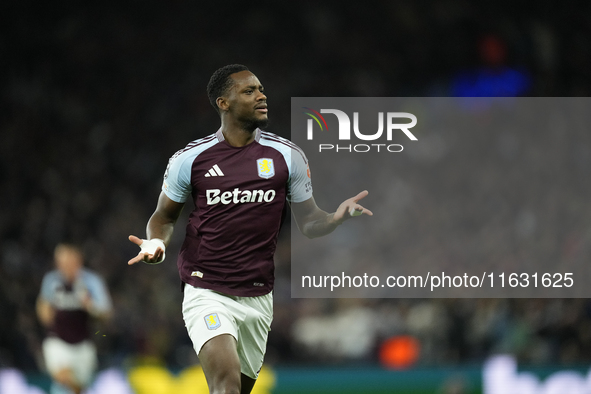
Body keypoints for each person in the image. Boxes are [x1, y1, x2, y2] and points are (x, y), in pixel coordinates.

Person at [128, 64, 372, 394]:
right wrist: (156, 243)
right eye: (249, 91)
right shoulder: (191, 159)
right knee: (226, 386)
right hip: (206, 290)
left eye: (261, 89)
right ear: (223, 103)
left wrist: (335, 217)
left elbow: (309, 222)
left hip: (258, 296)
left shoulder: (287, 156)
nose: (261, 96)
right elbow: (164, 216)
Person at [37, 243, 113, 394]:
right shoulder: (52, 280)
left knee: (78, 387)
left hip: (83, 342)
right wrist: (45, 312)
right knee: (63, 377)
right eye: (60, 262)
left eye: (67, 262)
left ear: (78, 261)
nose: (63, 266)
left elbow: (106, 312)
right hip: (57, 340)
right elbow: (43, 307)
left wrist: (90, 305)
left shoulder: (91, 281)